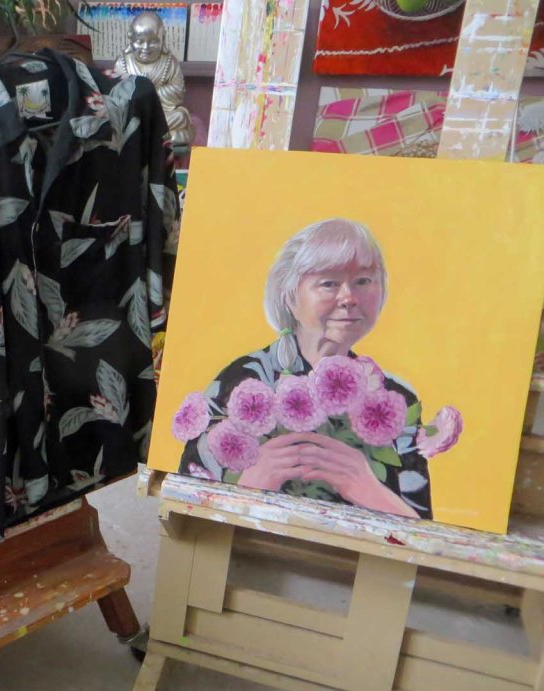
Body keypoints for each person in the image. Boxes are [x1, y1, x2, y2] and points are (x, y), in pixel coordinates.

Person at [179, 218, 432, 519]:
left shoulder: (393, 398)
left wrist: (365, 487)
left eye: (363, 281)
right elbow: (187, 504)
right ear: (290, 296)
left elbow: (424, 531)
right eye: (329, 283)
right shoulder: (243, 382)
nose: (349, 298)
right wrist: (253, 484)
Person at [114, 11, 194, 145]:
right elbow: (116, 95)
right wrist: (142, 97)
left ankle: (149, 136)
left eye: (153, 42)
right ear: (130, 38)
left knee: (181, 117)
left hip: (162, 114)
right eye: (140, 41)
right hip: (133, 116)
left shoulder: (170, 62)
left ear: (163, 38)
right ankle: (164, 137)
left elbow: (178, 91)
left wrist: (148, 94)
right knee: (121, 121)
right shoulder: (123, 63)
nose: (146, 47)